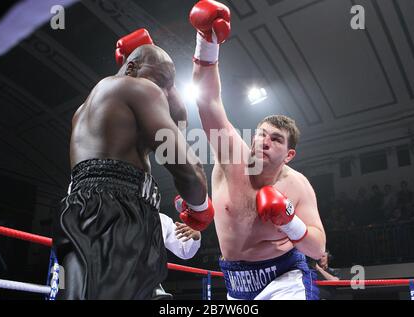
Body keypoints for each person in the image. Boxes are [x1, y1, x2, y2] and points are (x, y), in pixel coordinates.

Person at [52, 28, 214, 300]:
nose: (164, 91)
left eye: (170, 86)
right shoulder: (137, 88)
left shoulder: (89, 109)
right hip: (115, 213)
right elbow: (188, 165)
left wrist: (168, 86)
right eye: (162, 80)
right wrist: (200, 209)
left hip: (97, 211)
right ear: (132, 67)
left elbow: (178, 124)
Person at [180, 0, 326, 300]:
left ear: (289, 155)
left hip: (283, 277)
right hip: (235, 283)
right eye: (261, 135)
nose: (264, 141)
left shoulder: (297, 186)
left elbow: (317, 248)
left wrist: (289, 222)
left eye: (276, 139)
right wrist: (207, 42)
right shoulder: (233, 156)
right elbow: (208, 102)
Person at [153, 214, 202, 300]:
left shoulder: (161, 219)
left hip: (149, 285)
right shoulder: (121, 212)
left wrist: (195, 236)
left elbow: (185, 250)